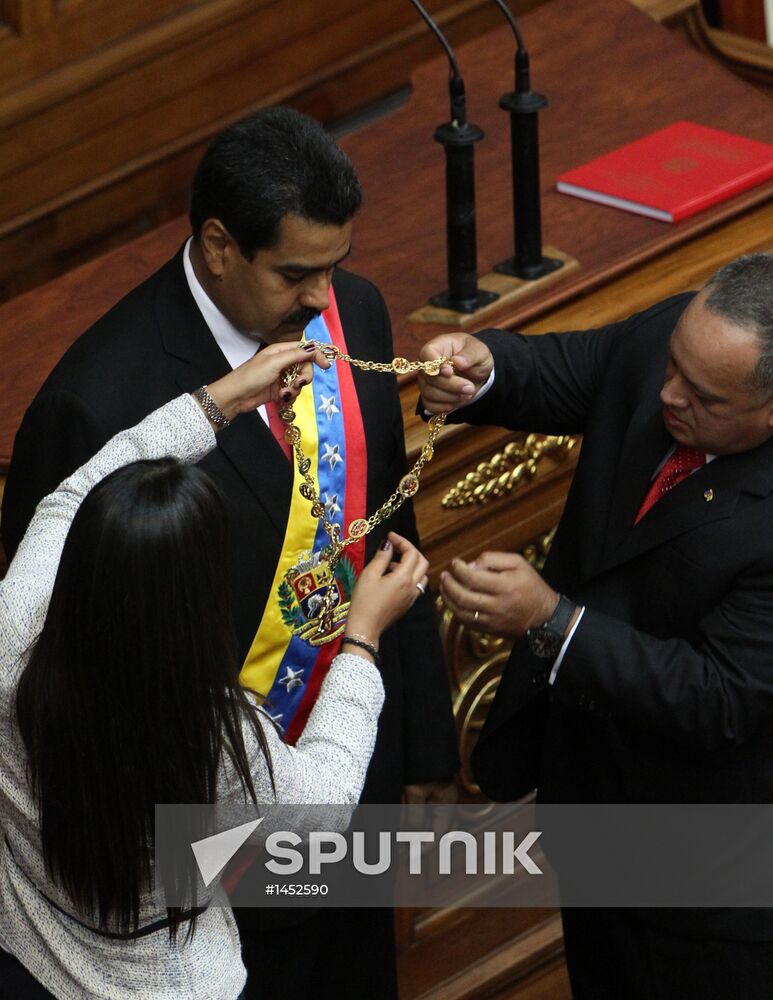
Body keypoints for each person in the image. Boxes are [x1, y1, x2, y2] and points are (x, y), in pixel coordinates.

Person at [2, 107, 458, 996]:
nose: (323, 299)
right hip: (183, 857)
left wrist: (425, 744)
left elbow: (385, 533)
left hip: (350, 791)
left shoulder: (349, 314)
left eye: (335, 266)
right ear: (218, 246)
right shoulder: (93, 405)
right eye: (297, 273)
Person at [0, 343, 431, 999]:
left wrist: (218, 400)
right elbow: (325, 807)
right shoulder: (211, 738)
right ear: (197, 602)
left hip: (21, 948)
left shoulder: (12, 629)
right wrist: (362, 641)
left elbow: (71, 497)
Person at [416, 253, 773, 1000]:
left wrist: (549, 622)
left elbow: (719, 697)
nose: (667, 394)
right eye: (673, 365)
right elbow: (581, 367)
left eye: (701, 397)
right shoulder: (688, 345)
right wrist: (484, 367)